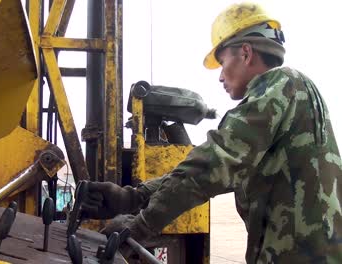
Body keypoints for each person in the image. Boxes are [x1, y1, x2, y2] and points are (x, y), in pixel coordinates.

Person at [80, 2, 342, 263]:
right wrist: (132, 197)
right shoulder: (285, 104)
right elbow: (211, 169)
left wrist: (138, 227)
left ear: (246, 53)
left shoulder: (283, 84)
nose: (220, 77)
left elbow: (210, 166)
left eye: (222, 61)